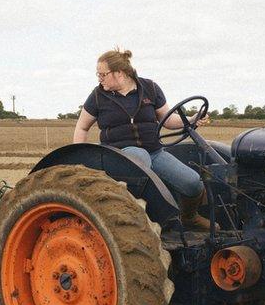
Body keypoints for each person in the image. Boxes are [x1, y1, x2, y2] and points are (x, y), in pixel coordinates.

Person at [73, 48, 211, 230]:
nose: (99, 78)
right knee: (140, 156)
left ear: (119, 73)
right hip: (118, 155)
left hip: (154, 152)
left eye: (103, 74)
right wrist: (78, 159)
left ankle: (189, 217)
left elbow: (168, 120)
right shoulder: (98, 96)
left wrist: (193, 119)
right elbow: (82, 127)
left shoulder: (150, 88)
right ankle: (134, 220)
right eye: (98, 74)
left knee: (192, 182)